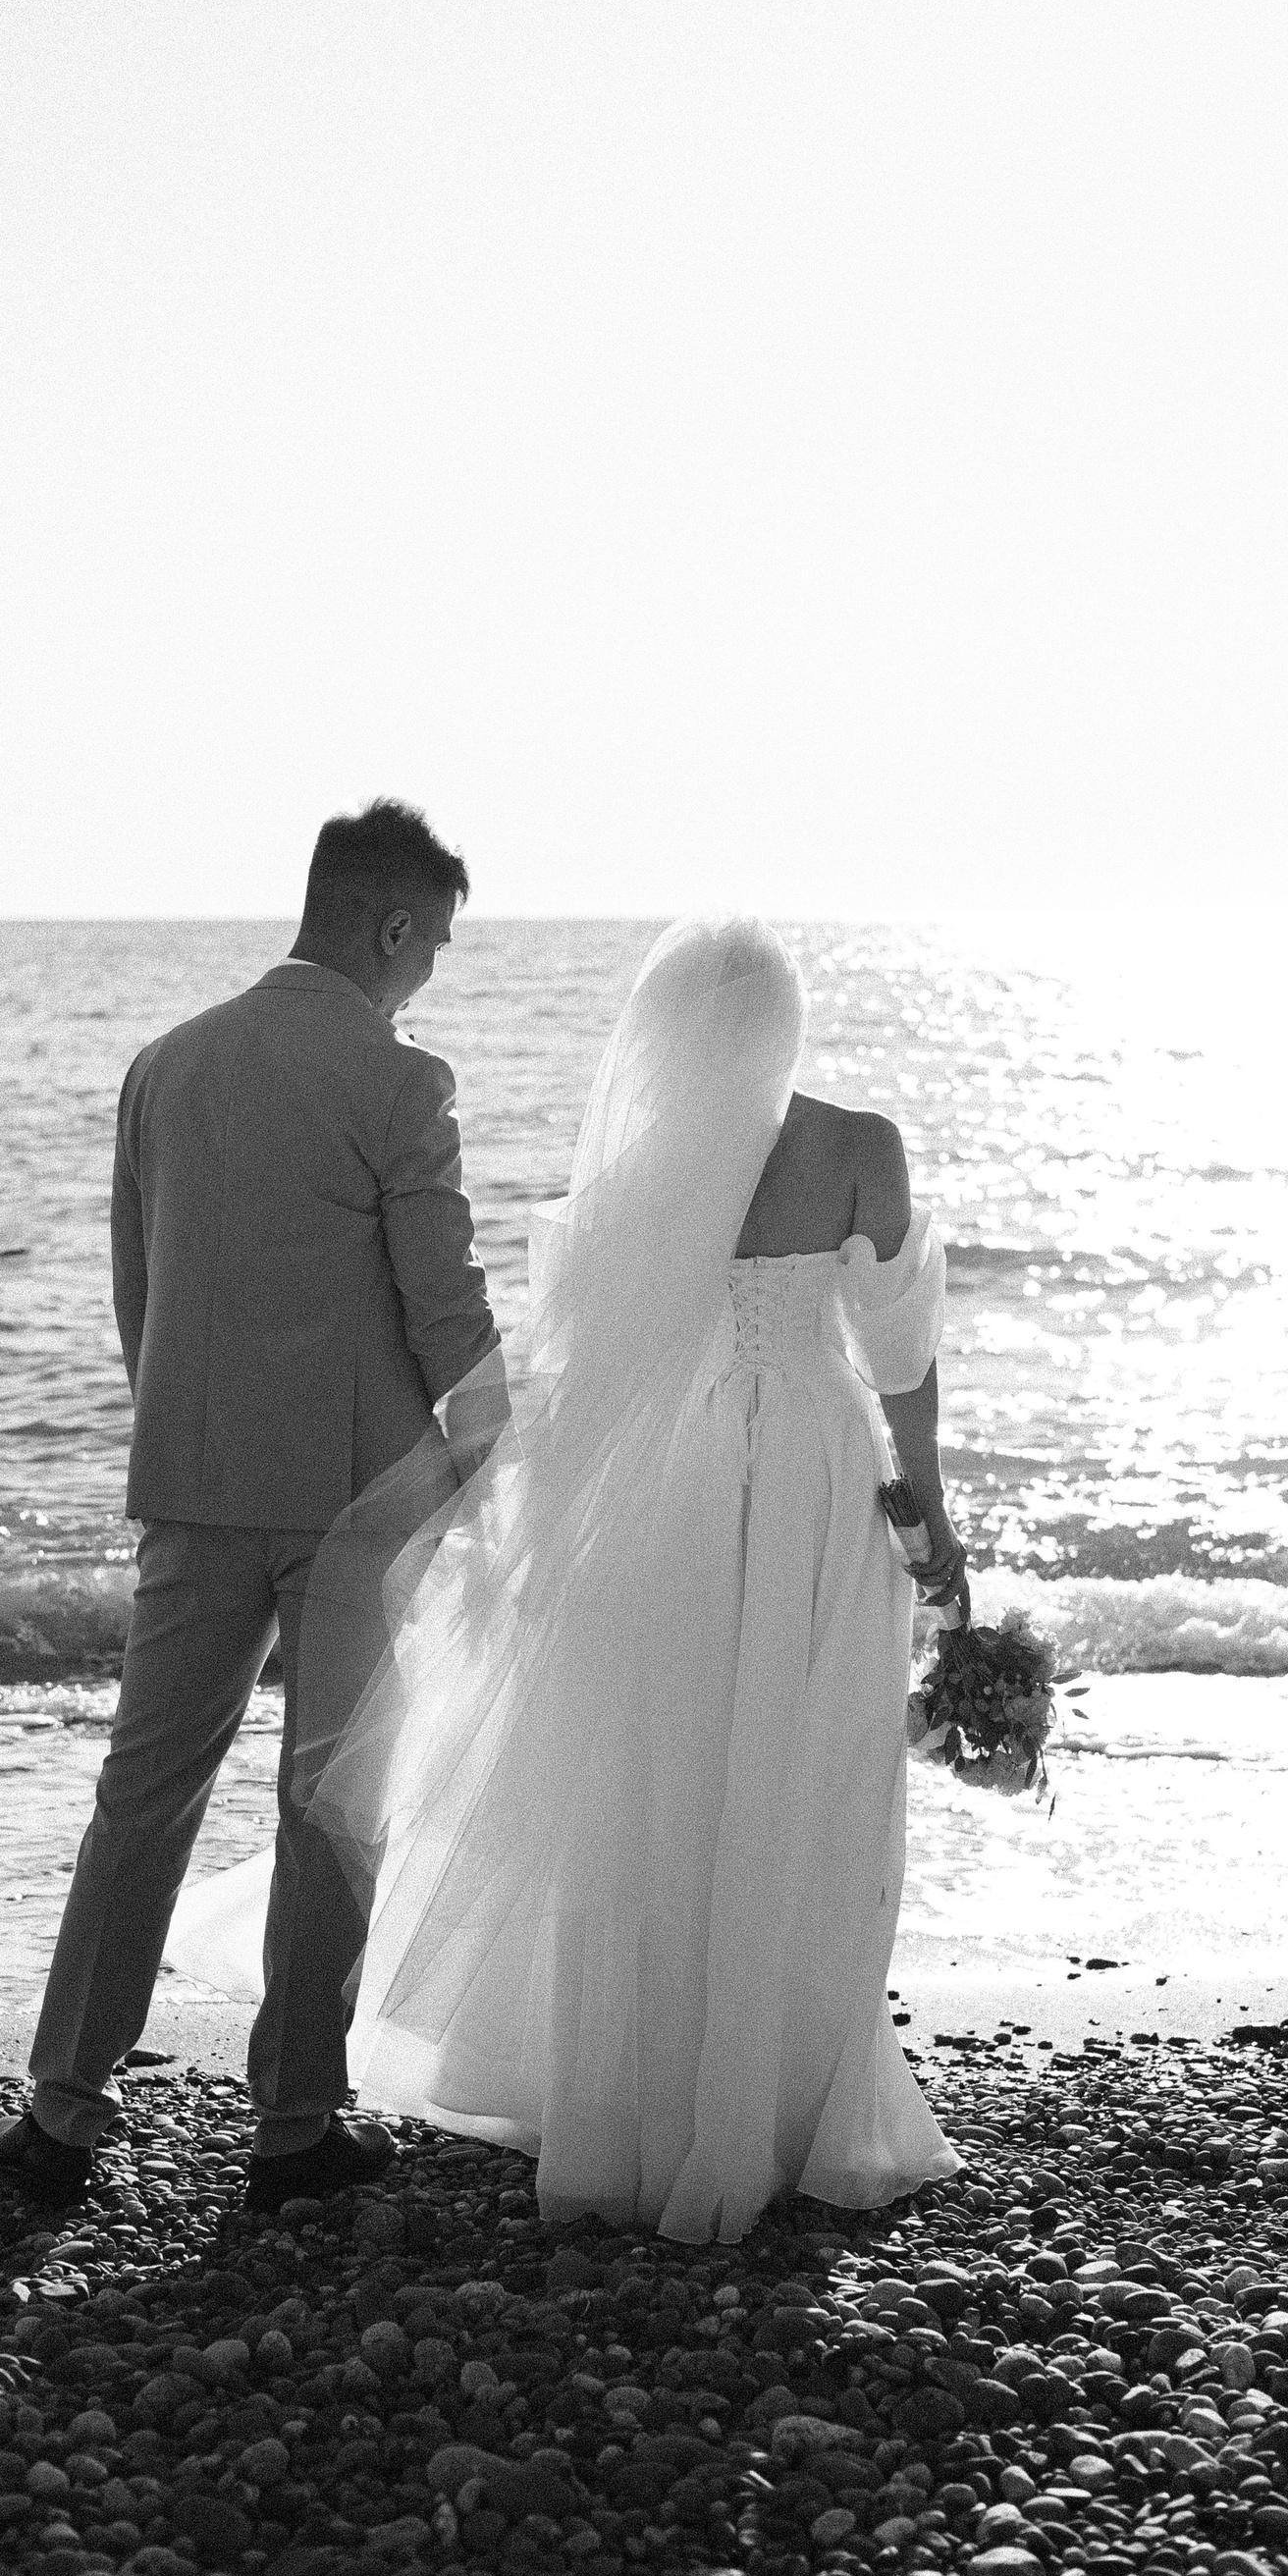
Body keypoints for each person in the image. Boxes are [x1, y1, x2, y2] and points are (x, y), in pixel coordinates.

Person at [172, 916, 966, 2243]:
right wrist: (925, 1500)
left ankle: (636, 2114)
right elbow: (899, 1353)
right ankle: (780, 2110)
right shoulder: (856, 1145)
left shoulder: (634, 1178)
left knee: (664, 1783)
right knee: (802, 1773)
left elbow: (590, 1374)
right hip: (815, 1478)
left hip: (677, 1492)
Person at [0, 798, 506, 2213]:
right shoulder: (401, 1083)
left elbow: (138, 1296)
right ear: (390, 926)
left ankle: (61, 2113)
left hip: (194, 1486)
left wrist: (189, 1440)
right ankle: (293, 2128)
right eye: (434, 945)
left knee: (143, 1793)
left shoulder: (165, 1067)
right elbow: (445, 1304)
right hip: (357, 1506)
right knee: (330, 1804)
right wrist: (501, 1462)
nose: (429, 973)